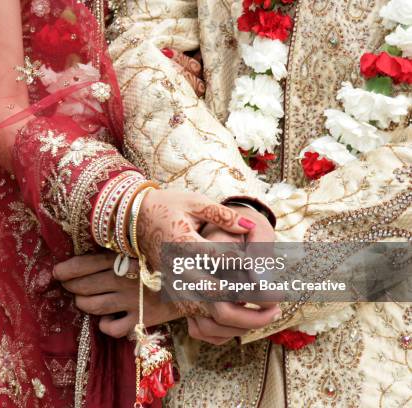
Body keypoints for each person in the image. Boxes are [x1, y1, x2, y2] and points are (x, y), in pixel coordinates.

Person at [0, 1, 281, 407]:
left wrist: (199, 275)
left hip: (185, 283)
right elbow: (4, 117)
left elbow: (363, 257)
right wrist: (138, 215)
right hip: (60, 277)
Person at [56, 0, 412, 406]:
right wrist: (215, 231)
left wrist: (220, 273)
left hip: (381, 343)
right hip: (203, 355)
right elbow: (134, 45)